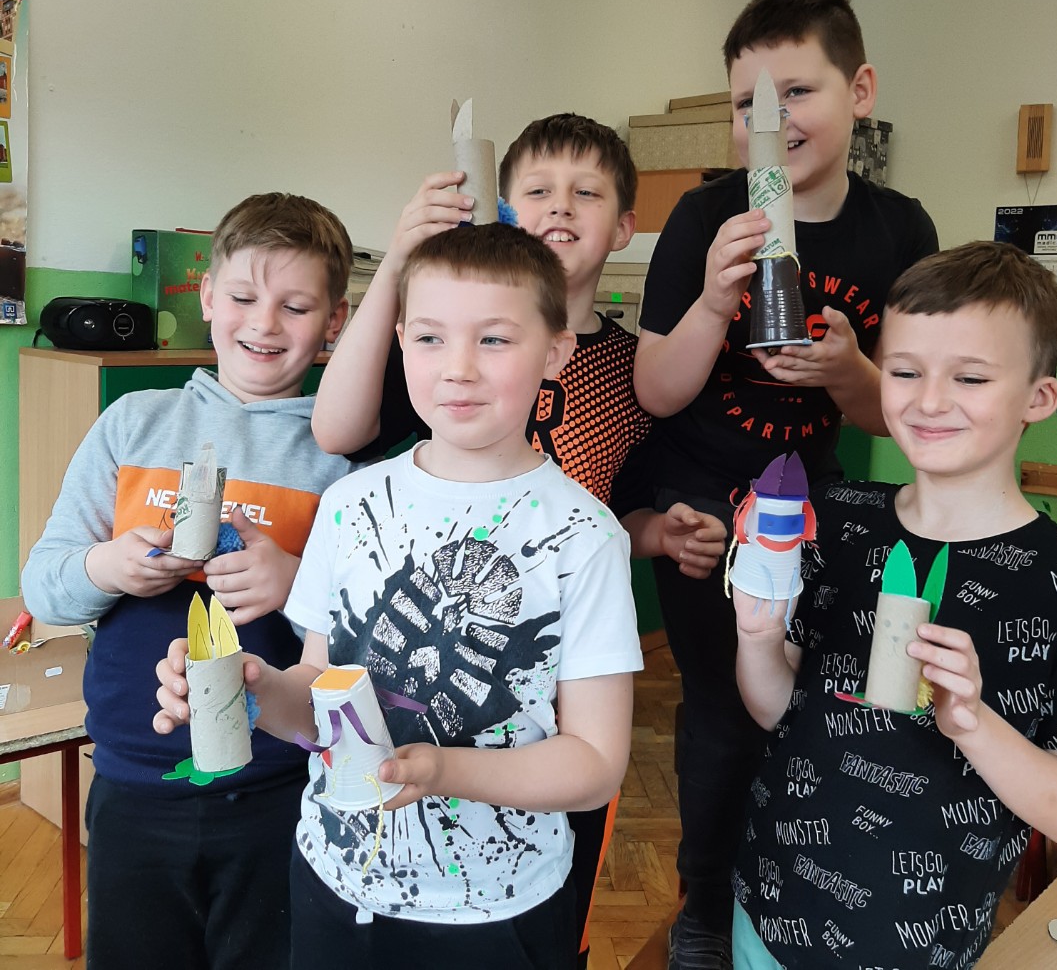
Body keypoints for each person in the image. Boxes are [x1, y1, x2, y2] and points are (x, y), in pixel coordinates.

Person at [154, 223, 646, 970]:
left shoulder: (586, 535)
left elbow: (595, 764)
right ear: (399, 342)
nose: (458, 369)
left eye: (494, 340)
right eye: (429, 338)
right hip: (332, 882)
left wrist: (442, 769)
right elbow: (318, 691)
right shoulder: (350, 504)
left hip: (495, 911)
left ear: (555, 352)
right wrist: (247, 693)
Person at [312, 112, 727, 965]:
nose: (559, 206)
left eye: (585, 193)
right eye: (537, 190)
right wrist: (398, 261)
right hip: (374, 798)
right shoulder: (436, 371)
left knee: (553, 901)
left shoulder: (631, 371)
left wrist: (656, 530)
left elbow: (622, 505)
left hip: (543, 704)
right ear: (502, 209)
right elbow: (339, 428)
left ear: (624, 225)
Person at [632, 0, 940, 967]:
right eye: (747, 104)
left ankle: (789, 884)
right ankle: (702, 901)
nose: (770, 121)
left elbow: (895, 413)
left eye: (796, 92)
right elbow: (655, 390)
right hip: (698, 506)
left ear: (859, 90)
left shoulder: (897, 231)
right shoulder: (703, 216)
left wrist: (849, 370)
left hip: (811, 505)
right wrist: (711, 301)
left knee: (806, 705)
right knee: (721, 716)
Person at [20, 192, 410, 970]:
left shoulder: (342, 465)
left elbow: (370, 652)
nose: (264, 323)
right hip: (132, 784)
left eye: (295, 306)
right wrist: (109, 565)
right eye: (242, 297)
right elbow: (44, 586)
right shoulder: (134, 422)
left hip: (276, 791)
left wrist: (293, 582)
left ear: (335, 321)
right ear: (205, 296)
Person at [731, 241, 1057, 968]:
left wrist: (973, 724)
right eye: (904, 371)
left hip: (914, 942)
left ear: (1039, 398)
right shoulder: (837, 516)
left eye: (970, 377)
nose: (928, 401)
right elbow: (776, 709)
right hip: (766, 908)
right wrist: (758, 637)